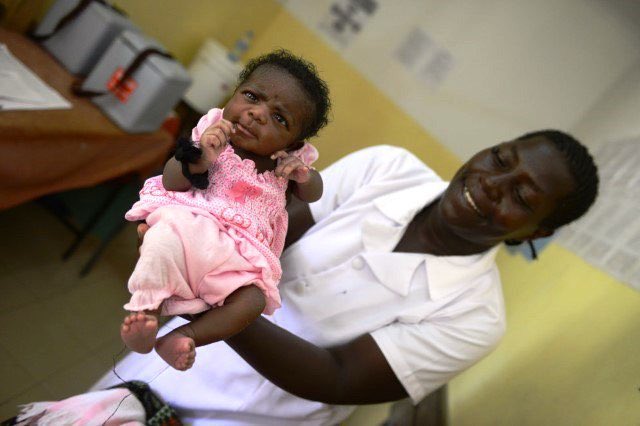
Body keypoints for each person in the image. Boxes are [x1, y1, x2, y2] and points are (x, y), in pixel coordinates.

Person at [11, 130, 597, 425]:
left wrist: (207, 291)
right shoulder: (388, 167)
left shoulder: (474, 317)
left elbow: (336, 378)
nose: (491, 184)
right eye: (501, 159)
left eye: (523, 197)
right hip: (164, 359)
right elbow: (267, 235)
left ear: (535, 232)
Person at [119, 49, 331, 371]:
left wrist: (305, 175)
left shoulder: (285, 166)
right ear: (235, 92)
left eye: (279, 118)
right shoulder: (212, 135)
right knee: (161, 239)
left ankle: (185, 336)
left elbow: (314, 192)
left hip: (237, 257)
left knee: (254, 299)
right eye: (252, 96)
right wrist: (200, 158)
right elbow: (172, 181)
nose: (257, 114)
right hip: (188, 228)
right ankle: (145, 315)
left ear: (292, 144)